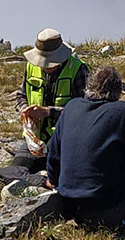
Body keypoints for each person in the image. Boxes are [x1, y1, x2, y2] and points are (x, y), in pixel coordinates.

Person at [46, 66, 125, 235]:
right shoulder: (122, 111)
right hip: (106, 209)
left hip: (69, 205)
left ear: (89, 87)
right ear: (118, 90)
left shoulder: (71, 107)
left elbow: (53, 154)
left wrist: (53, 180)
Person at [11, 27, 87, 168]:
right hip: (35, 139)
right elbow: (21, 96)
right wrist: (25, 111)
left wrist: (47, 112)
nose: (45, 66)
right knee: (15, 171)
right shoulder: (31, 67)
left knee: (57, 177)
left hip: (66, 140)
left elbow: (83, 111)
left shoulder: (77, 69)